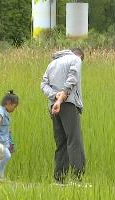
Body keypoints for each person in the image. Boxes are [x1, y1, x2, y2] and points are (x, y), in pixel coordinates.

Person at [40, 48, 86, 184]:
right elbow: (73, 78)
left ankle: (59, 178)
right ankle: (77, 178)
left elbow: (43, 84)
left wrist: (55, 95)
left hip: (53, 106)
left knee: (61, 143)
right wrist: (62, 96)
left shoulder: (52, 64)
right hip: (68, 104)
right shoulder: (75, 59)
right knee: (74, 140)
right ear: (80, 56)